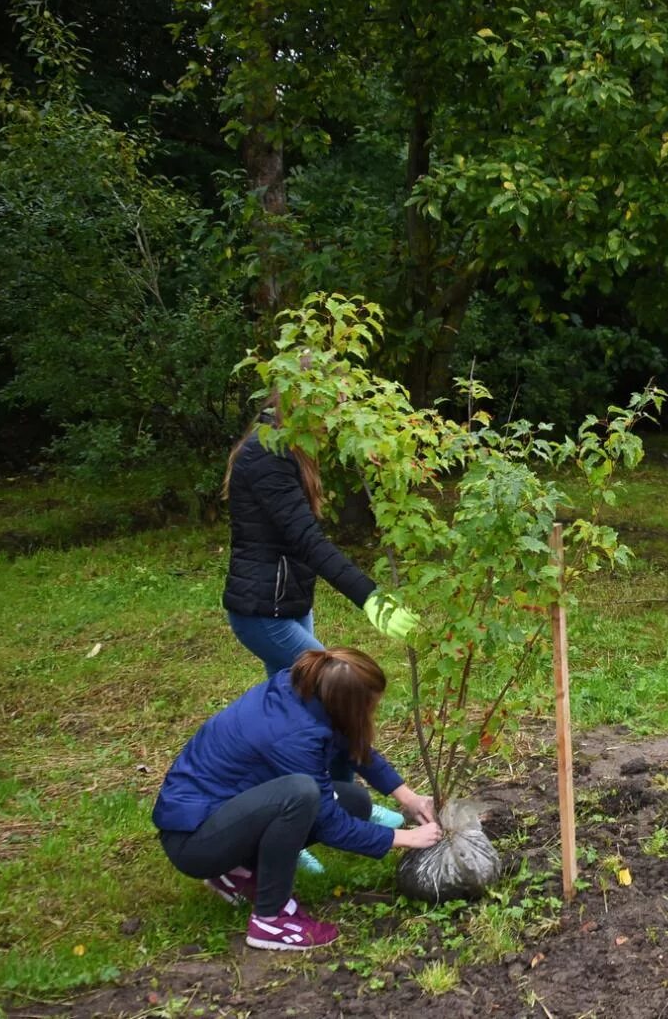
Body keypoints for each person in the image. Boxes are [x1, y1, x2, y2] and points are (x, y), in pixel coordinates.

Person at [153, 647, 444, 951]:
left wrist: (407, 797)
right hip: (195, 841)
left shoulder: (302, 688)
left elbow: (351, 745)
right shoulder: (294, 736)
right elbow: (330, 825)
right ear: (348, 705)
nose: (373, 713)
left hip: (222, 813)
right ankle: (271, 919)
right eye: (370, 707)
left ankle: (236, 872)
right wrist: (405, 838)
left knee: (353, 801)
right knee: (301, 794)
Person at [223, 399, 420, 681]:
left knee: (293, 701)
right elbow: (307, 539)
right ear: (303, 401)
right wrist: (368, 596)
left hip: (289, 601)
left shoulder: (290, 445)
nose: (335, 418)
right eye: (331, 406)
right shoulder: (267, 452)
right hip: (264, 611)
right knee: (331, 687)